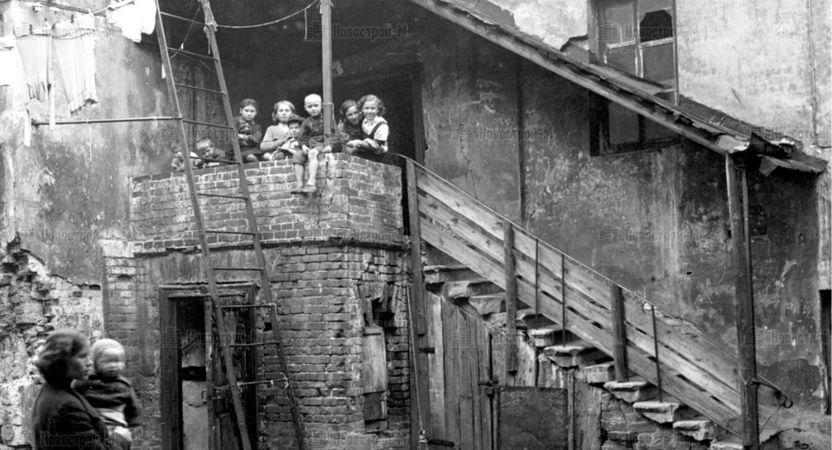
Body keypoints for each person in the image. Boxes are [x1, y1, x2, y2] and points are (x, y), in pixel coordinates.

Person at [31, 329, 128, 450]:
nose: (90, 362)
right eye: (82, 356)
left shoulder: (51, 390)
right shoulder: (67, 407)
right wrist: (120, 438)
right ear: (62, 360)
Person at [74, 339, 140, 447]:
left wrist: (132, 424)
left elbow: (133, 409)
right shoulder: (83, 382)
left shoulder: (123, 385)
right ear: (94, 362)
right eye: (107, 362)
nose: (113, 365)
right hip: (92, 429)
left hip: (117, 428)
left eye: (118, 361)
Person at [295, 94, 336, 194]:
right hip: (311, 145)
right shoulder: (306, 122)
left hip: (323, 144)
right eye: (310, 106)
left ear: (321, 105)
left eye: (316, 105)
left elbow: (336, 134)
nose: (313, 109)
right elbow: (302, 136)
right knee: (297, 156)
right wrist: (303, 145)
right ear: (305, 108)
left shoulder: (327, 119)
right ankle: (299, 184)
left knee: (312, 153)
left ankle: (311, 183)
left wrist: (331, 145)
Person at [346, 94, 389, 161]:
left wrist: (359, 143)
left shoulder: (382, 126)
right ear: (362, 109)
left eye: (373, 108)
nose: (369, 111)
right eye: (366, 108)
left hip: (377, 158)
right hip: (365, 155)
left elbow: (376, 146)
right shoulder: (364, 119)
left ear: (378, 110)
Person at [234, 98, 263, 163]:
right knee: (251, 157)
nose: (249, 113)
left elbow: (256, 140)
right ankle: (258, 167)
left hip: (254, 150)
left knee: (266, 156)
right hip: (237, 152)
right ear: (241, 111)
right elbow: (234, 137)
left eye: (252, 111)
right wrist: (250, 139)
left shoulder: (257, 127)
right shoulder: (234, 122)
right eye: (246, 111)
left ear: (256, 113)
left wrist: (243, 137)